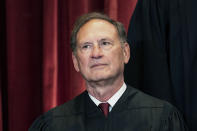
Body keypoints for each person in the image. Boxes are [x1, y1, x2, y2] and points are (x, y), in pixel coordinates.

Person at [29, 12, 188, 131]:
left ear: (125, 53)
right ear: (76, 61)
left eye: (105, 43)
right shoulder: (53, 124)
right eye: (86, 46)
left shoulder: (162, 119)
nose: (96, 53)